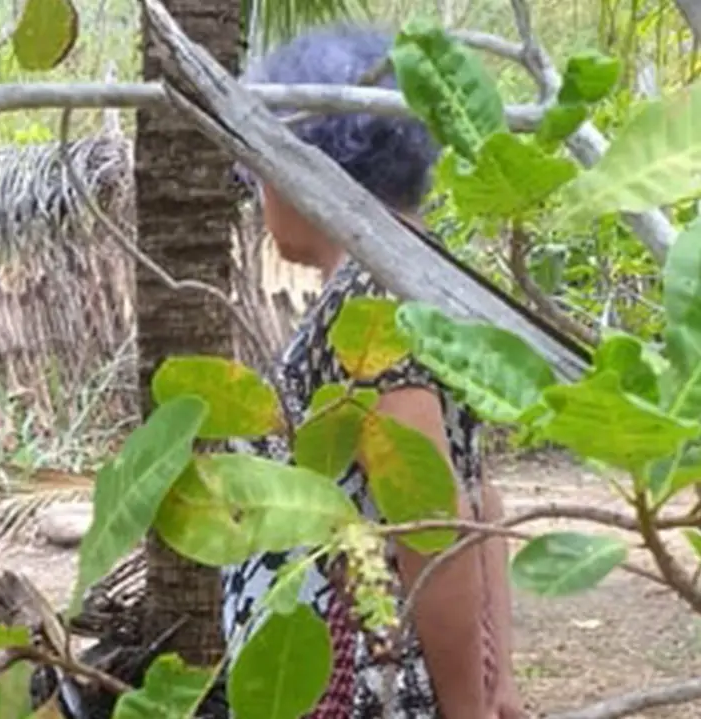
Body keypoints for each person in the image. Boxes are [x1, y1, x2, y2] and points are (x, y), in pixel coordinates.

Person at [221, 25, 524, 719]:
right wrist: (495, 681)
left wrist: (470, 708)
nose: (258, 196)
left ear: (308, 166)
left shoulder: (370, 300)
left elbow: (428, 510)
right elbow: (481, 496)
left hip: (373, 687)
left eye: (260, 173)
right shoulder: (432, 286)